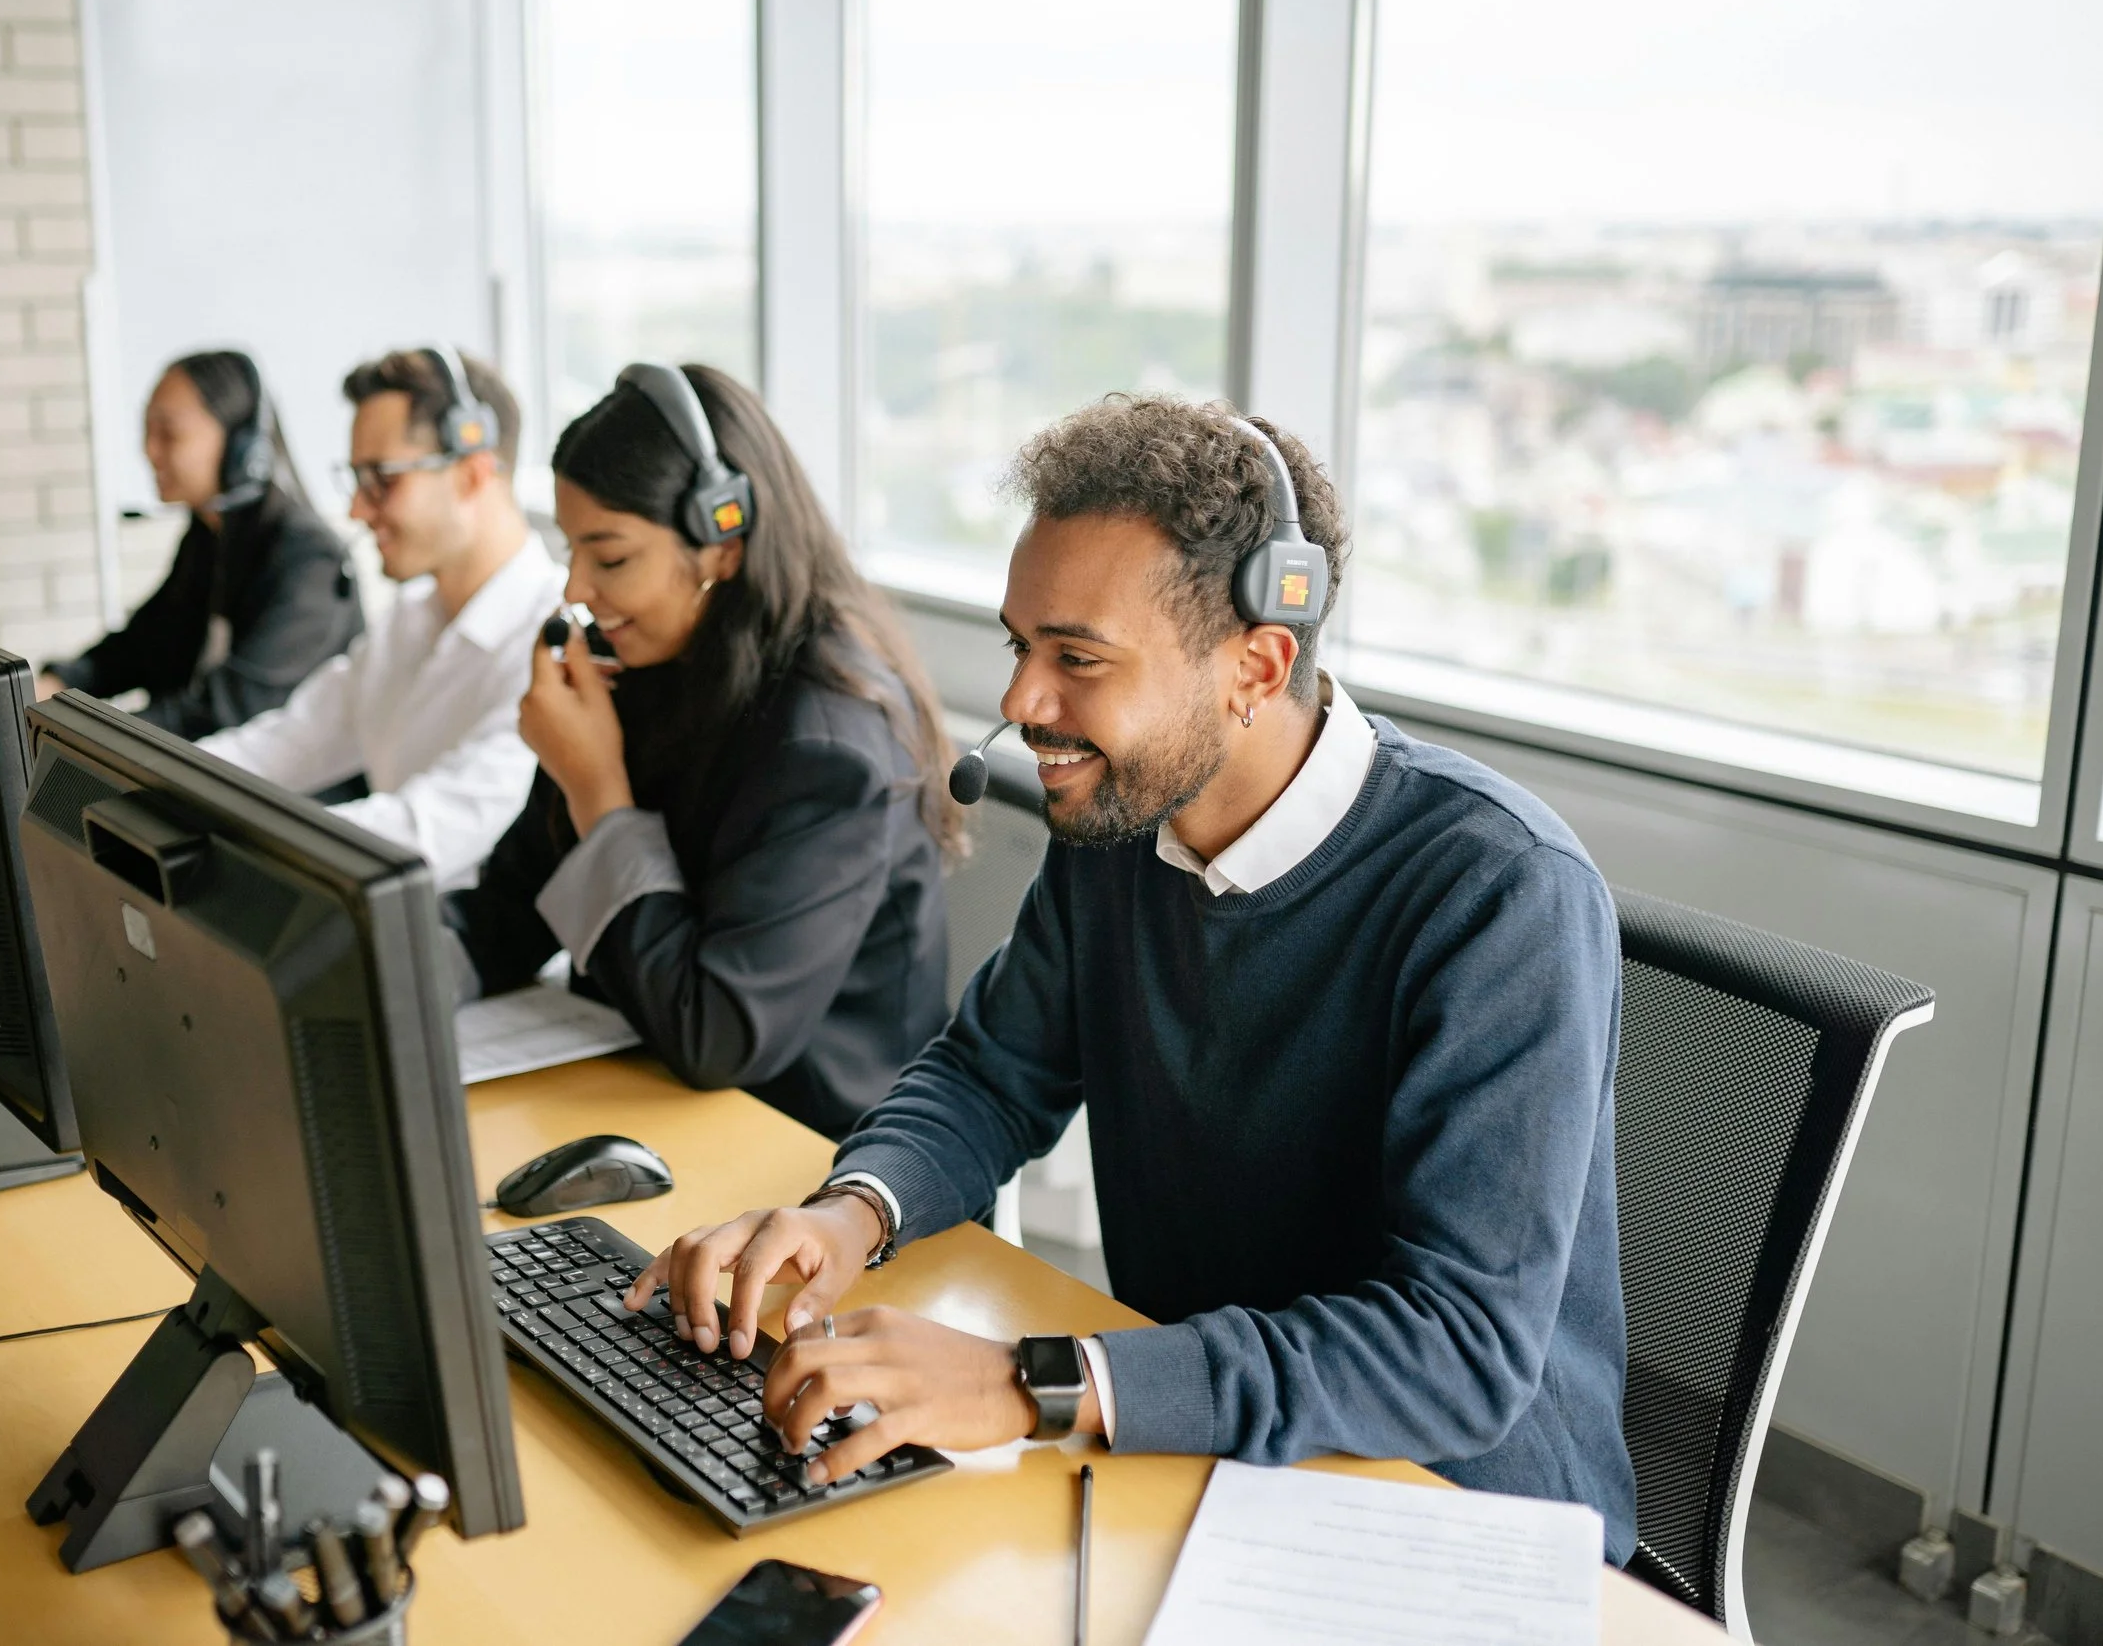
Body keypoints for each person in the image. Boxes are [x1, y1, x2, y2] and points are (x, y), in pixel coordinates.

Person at [626, 394, 1639, 1560]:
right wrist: (849, 1213)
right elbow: (991, 1074)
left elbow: (1458, 1351)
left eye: (1076, 658)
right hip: (1203, 1443)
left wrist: (1037, 1380)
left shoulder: (1500, 893)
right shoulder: (1120, 827)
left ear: (1254, 664)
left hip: (1450, 1511)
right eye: (1020, 646)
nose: (1019, 702)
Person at [442, 363, 959, 1142]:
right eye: (572, 549)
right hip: (650, 1102)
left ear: (723, 539)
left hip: (806, 1155)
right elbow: (506, 916)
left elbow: (717, 1034)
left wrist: (597, 791)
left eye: (609, 557)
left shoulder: (829, 744)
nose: (576, 586)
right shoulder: (653, 671)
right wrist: (372, 975)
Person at [192, 349, 561, 889]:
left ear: (473, 473)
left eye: (381, 480)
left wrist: (235, 843)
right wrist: (151, 781)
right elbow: (288, 741)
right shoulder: (409, 622)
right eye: (356, 480)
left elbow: (421, 831)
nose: (356, 511)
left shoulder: (552, 642)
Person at [38, 350, 362, 739]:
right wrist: (55, 684)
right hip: (215, 772)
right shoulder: (210, 536)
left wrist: (88, 737)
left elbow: (226, 711)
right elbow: (142, 645)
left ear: (242, 449)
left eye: (169, 433)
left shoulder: (309, 560)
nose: (149, 450)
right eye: (147, 430)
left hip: (296, 790)